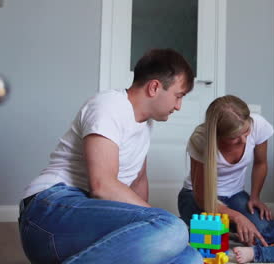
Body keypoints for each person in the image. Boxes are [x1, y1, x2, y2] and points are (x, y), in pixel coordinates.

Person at [18, 49, 203, 264]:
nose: (178, 106)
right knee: (174, 227)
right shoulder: (109, 106)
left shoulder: (144, 125)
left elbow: (137, 181)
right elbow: (102, 186)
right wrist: (159, 222)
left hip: (88, 226)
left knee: (190, 258)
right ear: (154, 87)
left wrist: (150, 227)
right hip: (49, 213)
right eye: (178, 96)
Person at [177, 95, 274, 247]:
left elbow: (261, 163)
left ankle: (227, 227)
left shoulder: (258, 124)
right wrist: (237, 217)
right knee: (208, 239)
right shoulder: (201, 140)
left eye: (246, 132)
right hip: (198, 198)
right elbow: (202, 198)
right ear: (217, 136)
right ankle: (193, 224)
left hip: (234, 194)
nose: (243, 141)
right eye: (235, 137)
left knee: (265, 234)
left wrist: (255, 197)